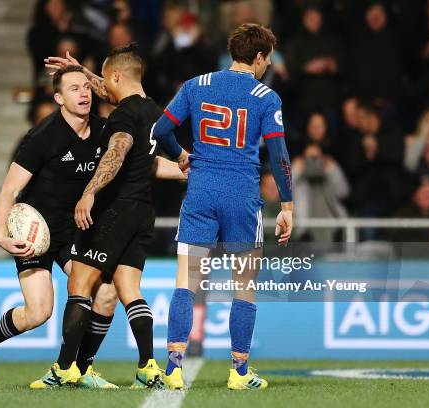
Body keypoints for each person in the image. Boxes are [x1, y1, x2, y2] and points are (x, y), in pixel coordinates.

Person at [152, 23, 294, 390]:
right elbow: (278, 153)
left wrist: (182, 156)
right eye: (268, 60)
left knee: (186, 283)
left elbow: (160, 131)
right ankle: (239, 372)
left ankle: (172, 368)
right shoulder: (266, 96)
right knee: (244, 286)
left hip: (200, 191)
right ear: (259, 56)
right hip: (241, 196)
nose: (268, 67)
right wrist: (288, 204)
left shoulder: (196, 85)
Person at [0, 65, 120, 390]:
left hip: (74, 229)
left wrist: (181, 166)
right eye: (74, 89)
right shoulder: (42, 137)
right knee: (38, 312)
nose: (83, 94)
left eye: (86, 87)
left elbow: (126, 98)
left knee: (106, 293)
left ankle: (79, 369)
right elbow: (7, 192)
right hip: (34, 232)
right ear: (59, 97)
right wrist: (1, 235)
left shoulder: (105, 130)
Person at [39, 44, 185, 389]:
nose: (96, 89)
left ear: (116, 76)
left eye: (102, 80)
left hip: (115, 209)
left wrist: (89, 192)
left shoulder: (123, 116)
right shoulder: (154, 113)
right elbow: (145, 162)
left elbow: (116, 154)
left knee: (80, 286)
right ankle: (147, 365)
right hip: (143, 211)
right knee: (128, 290)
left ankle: (64, 369)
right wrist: (83, 70)